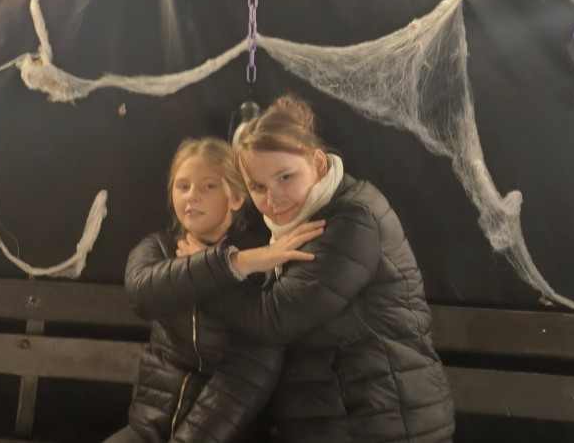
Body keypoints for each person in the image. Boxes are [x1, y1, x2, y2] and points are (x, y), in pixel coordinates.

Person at [163, 97, 456, 442]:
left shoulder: (353, 221)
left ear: (316, 162)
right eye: (258, 187)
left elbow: (272, 321)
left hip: (384, 424)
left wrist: (208, 271)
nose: (273, 197)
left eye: (285, 177)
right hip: (338, 420)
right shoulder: (294, 227)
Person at [105, 137, 322, 443]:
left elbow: (250, 373)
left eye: (208, 186)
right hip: (148, 427)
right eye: (182, 186)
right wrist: (231, 264)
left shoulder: (265, 261)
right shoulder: (159, 247)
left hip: (228, 434)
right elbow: (142, 295)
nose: (192, 196)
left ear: (236, 198)